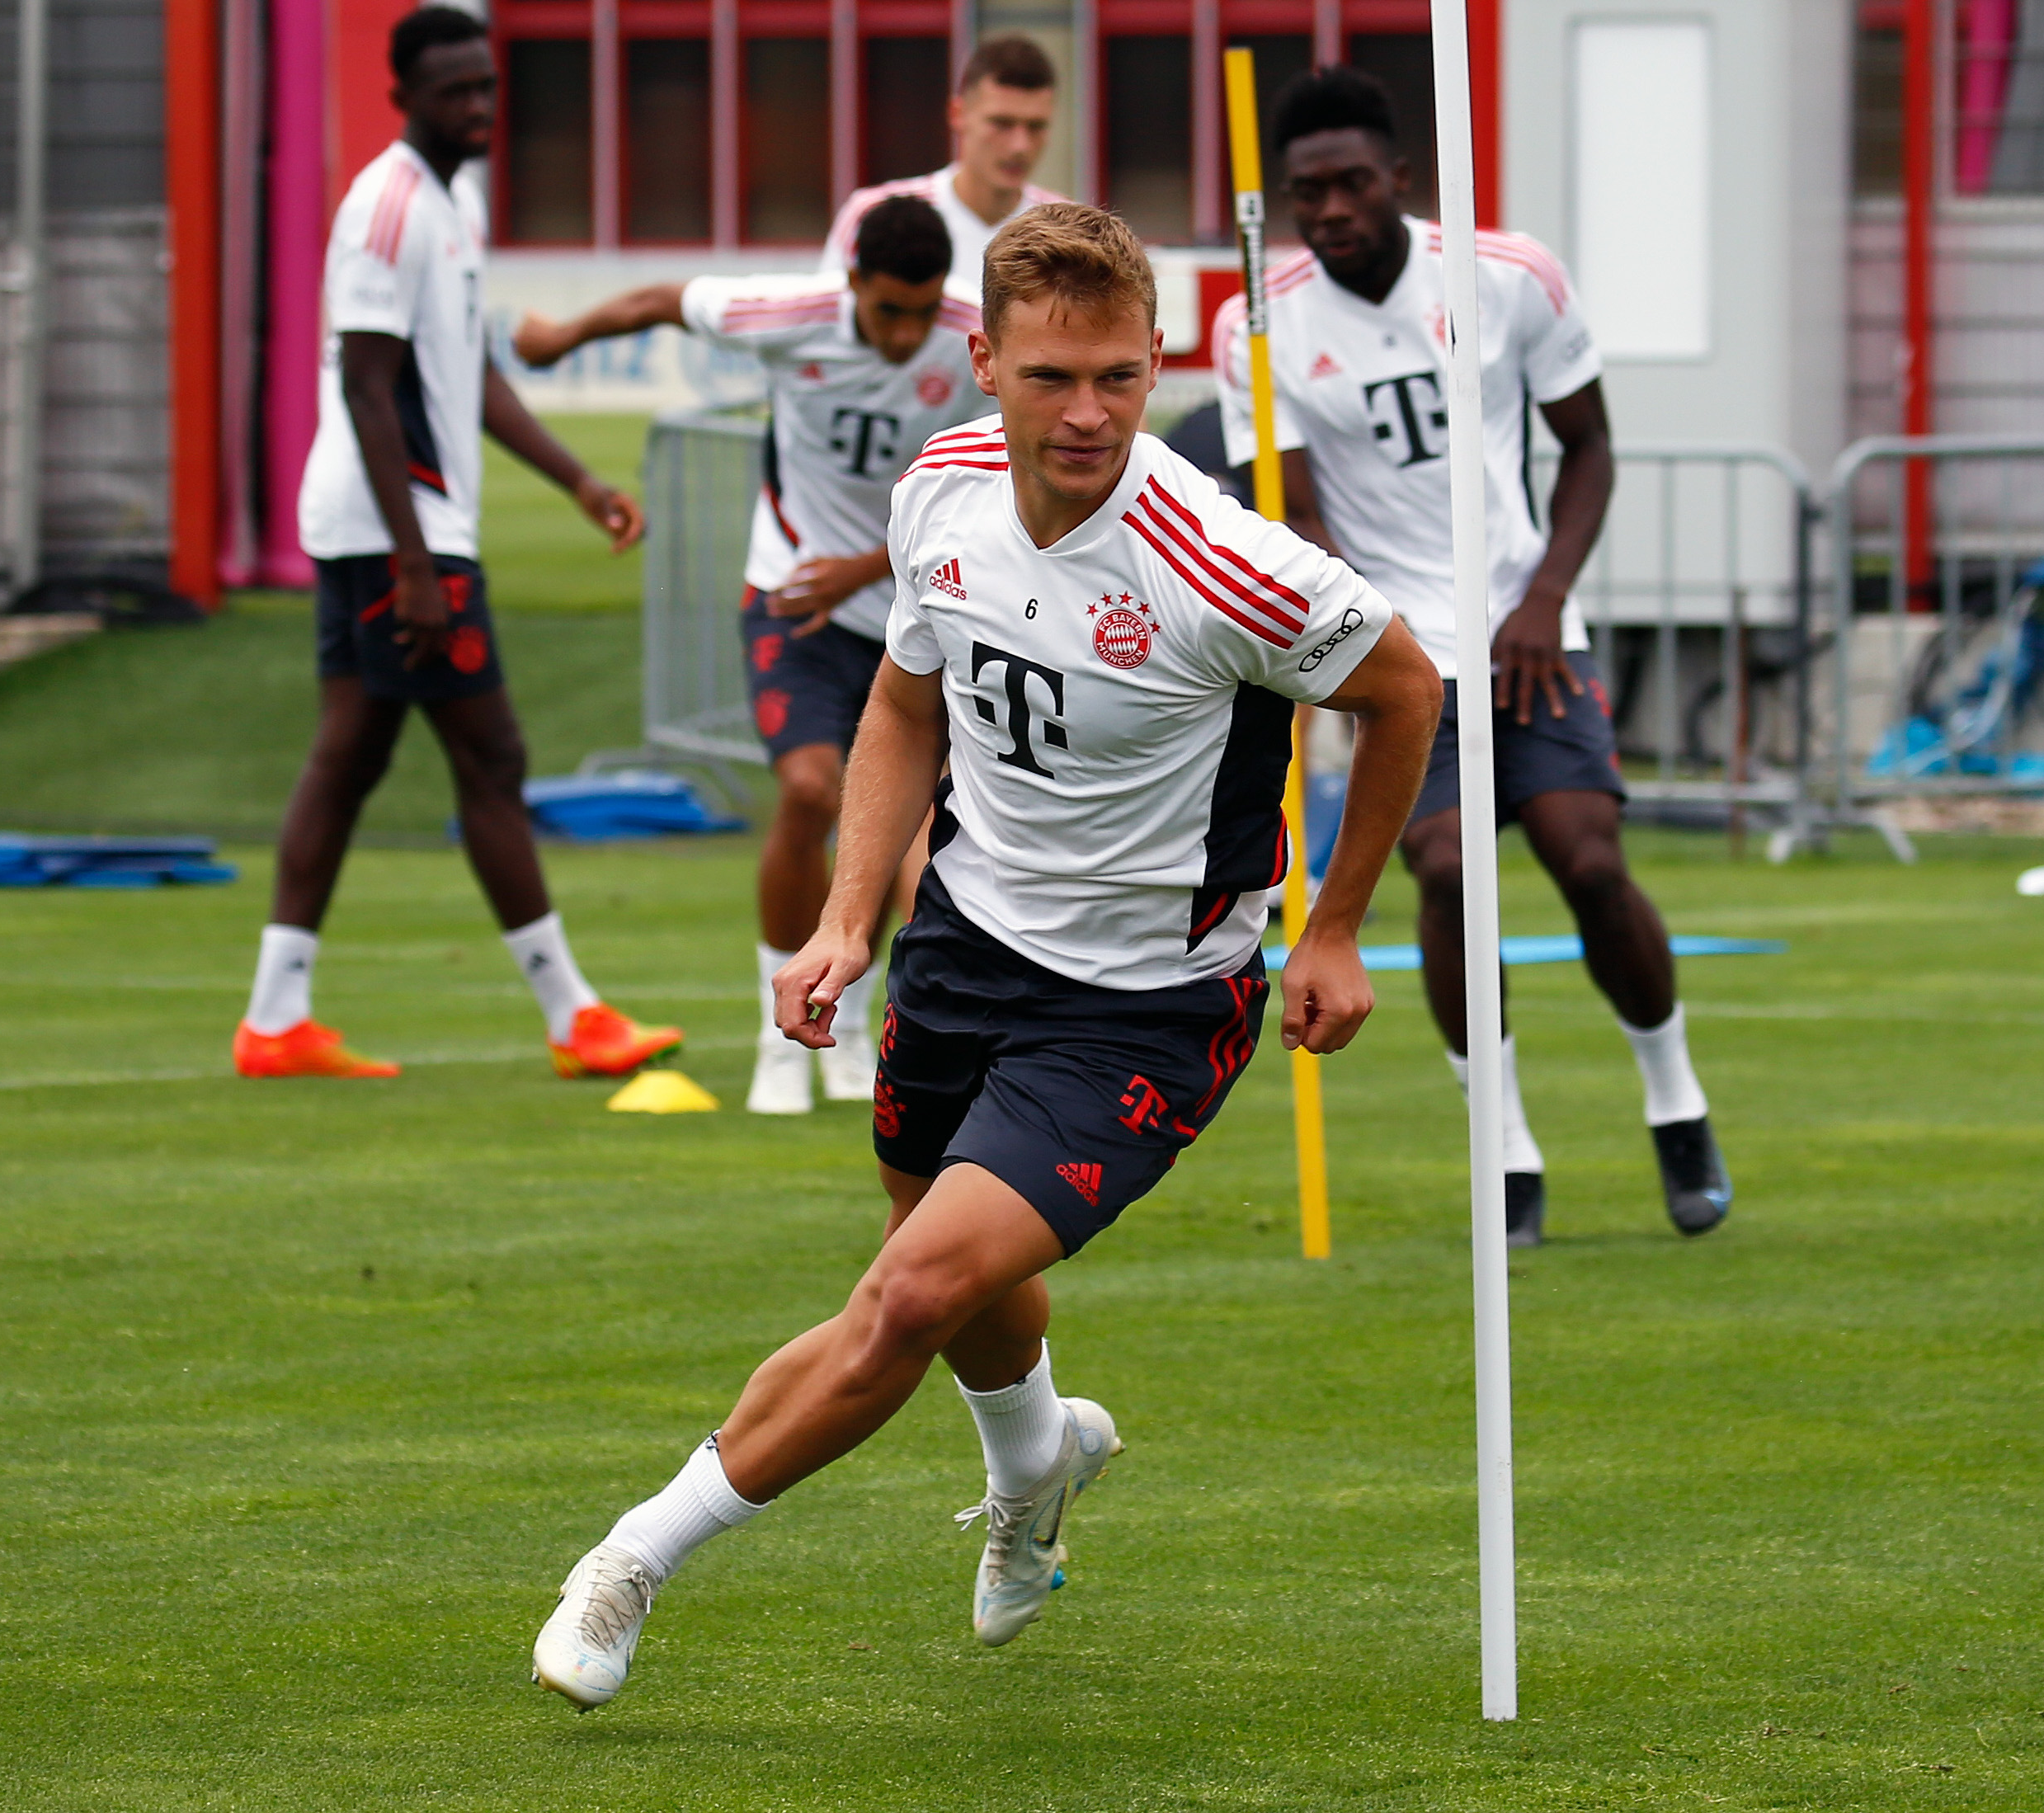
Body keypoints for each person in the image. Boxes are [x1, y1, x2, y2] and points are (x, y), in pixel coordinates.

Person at [530, 204, 1443, 1708]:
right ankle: (1037, 1468)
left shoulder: (1225, 561)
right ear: (985, 363)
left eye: (1118, 377)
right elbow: (902, 706)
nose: (1085, 414)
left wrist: (1335, 928)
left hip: (1144, 1008)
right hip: (958, 949)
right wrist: (847, 916)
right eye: (1048, 378)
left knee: (902, 1292)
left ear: (1151, 369)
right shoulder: (940, 489)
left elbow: (1404, 693)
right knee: (953, 1281)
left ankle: (628, 1559)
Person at [1217, 65, 1731, 1243]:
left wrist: (1545, 594)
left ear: (1398, 178)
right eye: (1307, 193)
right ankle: (1502, 1151)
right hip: (1397, 653)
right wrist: (1362, 635)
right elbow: (1289, 510)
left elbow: (1589, 446)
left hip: (1524, 629)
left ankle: (1674, 1102)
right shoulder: (1260, 315)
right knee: (1447, 868)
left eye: (1351, 184)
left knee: (1584, 858)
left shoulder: (1507, 276)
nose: (1331, 209)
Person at [236, 6, 677, 1082]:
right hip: (401, 530)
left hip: (384, 528)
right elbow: (365, 384)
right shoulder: (387, 206)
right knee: (493, 757)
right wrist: (416, 562)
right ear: (406, 99)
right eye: (455, 92)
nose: (478, 106)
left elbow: (464, 373)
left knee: (349, 759)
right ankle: (573, 1014)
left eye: (486, 85)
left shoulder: (452, 200)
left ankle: (274, 1019)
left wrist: (576, 480)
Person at [511, 196, 987, 1115]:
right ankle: (779, 1034)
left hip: (918, 613)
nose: (907, 334)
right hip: (793, 599)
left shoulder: (973, 333)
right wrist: (559, 336)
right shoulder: (791, 315)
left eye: (922, 312)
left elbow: (992, 486)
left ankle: (845, 1030)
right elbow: (656, 299)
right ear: (850, 283)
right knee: (811, 789)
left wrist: (862, 566)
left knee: (906, 843)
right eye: (889, 310)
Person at [816, 35, 1062, 282]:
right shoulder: (873, 216)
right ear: (958, 114)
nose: (1020, 146)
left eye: (1036, 126)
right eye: (1001, 123)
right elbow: (831, 317)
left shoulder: (1066, 231)